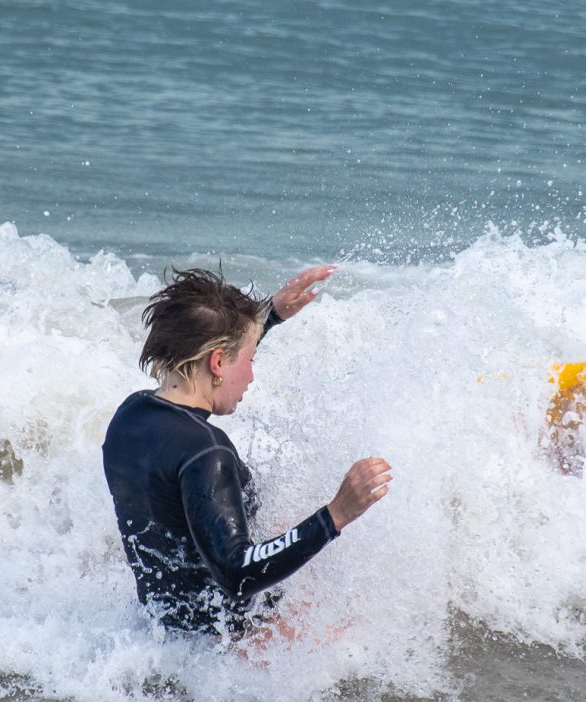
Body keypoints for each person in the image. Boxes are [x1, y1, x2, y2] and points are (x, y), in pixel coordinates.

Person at [102, 264, 391, 642]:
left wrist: (269, 314)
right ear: (218, 363)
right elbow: (237, 574)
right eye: (250, 360)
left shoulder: (130, 414)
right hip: (230, 643)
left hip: (166, 623)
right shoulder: (207, 451)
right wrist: (335, 515)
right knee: (362, 631)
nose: (252, 376)